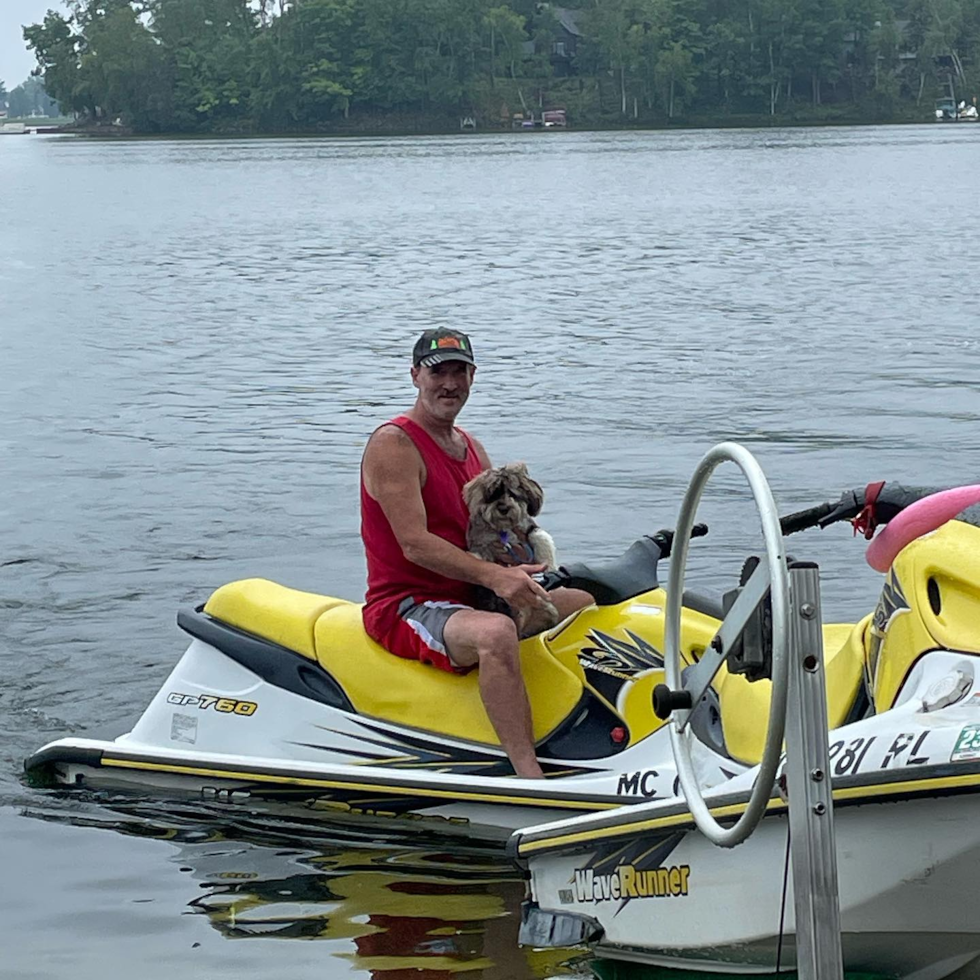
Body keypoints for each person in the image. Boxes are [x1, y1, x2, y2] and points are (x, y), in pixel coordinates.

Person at [360, 328, 591, 778]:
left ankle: (586, 736)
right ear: (415, 376)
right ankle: (530, 774)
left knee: (584, 603)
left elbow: (491, 530)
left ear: (472, 376)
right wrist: (493, 577)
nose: (449, 383)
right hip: (407, 603)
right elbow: (414, 542)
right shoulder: (395, 444)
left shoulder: (471, 447)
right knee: (496, 632)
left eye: (459, 372)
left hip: (469, 594)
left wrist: (515, 562)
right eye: (437, 372)